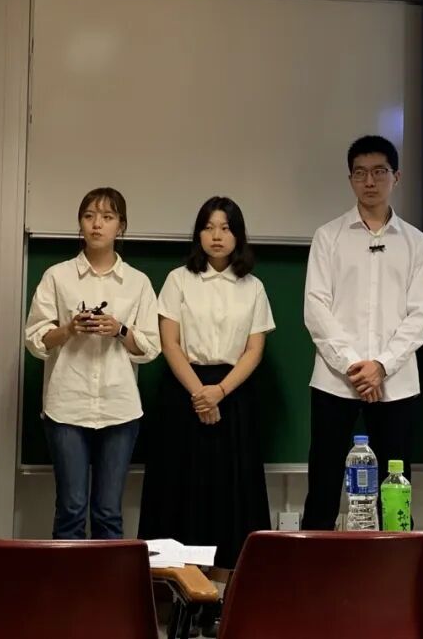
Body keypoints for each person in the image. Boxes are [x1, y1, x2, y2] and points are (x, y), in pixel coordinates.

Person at [139, 197, 275, 635]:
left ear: (238, 235)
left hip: (233, 394)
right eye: (209, 227)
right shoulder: (178, 279)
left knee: (230, 498)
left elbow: (254, 349)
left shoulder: (252, 286)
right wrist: (200, 392)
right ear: (198, 233)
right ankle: (180, 601)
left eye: (226, 228)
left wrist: (219, 391)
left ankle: (219, 603)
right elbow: (170, 343)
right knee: (182, 493)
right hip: (184, 394)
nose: (217, 236)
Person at [301, 135, 423, 530]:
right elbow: (316, 308)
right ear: (350, 179)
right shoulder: (329, 236)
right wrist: (355, 365)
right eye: (360, 173)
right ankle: (310, 561)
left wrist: (382, 366)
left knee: (396, 485)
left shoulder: (415, 242)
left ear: (396, 176)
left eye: (379, 172)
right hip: (335, 379)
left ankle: (396, 561)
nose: (370, 181)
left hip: (396, 382)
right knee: (323, 482)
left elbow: (419, 315)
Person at [24, 187, 160, 540]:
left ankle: (109, 578)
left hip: (119, 408)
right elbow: (35, 338)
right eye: (89, 216)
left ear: (121, 226)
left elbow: (150, 347)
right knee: (70, 508)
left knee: (108, 511)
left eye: (107, 217)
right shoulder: (57, 276)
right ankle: (67, 578)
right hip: (67, 405)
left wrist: (119, 330)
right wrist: (68, 329)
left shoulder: (138, 282)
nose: (97, 224)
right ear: (80, 224)